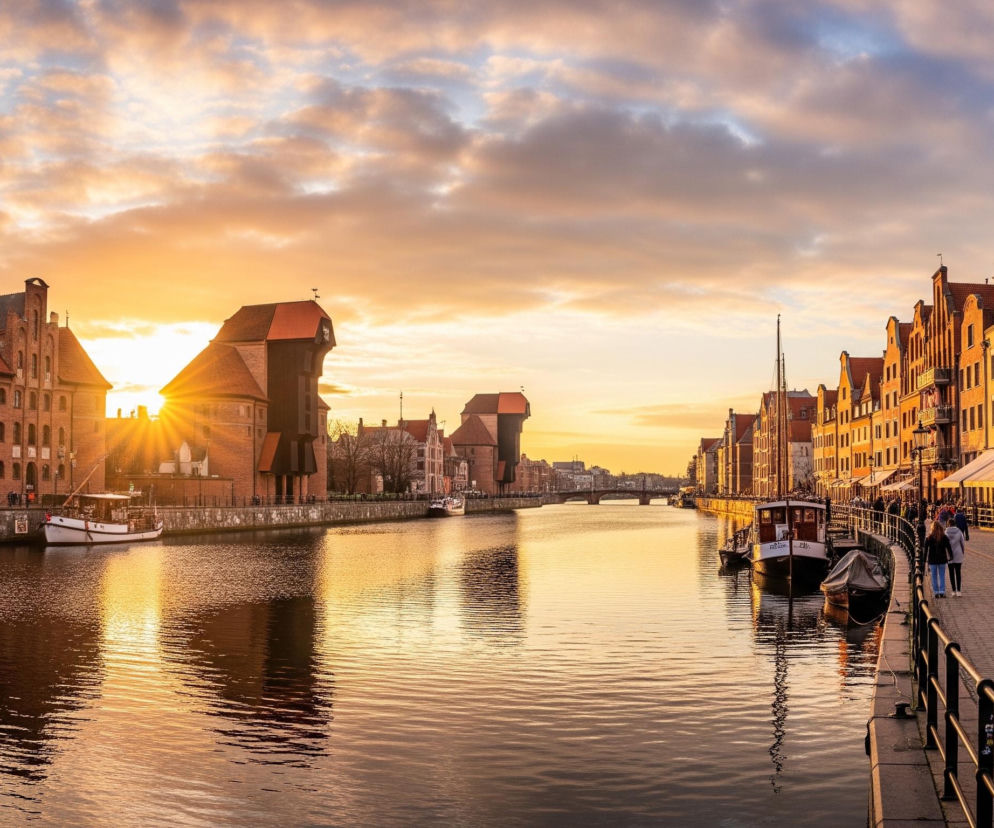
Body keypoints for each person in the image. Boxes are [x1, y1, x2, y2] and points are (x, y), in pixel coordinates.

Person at [925, 519, 952, 598]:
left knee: (934, 576)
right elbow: (949, 547)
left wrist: (924, 560)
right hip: (942, 559)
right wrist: (951, 556)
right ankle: (942, 591)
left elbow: (926, 550)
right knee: (942, 575)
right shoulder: (944, 537)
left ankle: (936, 592)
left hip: (932, 559)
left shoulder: (929, 537)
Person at [945, 516, 966, 596]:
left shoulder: (946, 532)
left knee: (951, 573)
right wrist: (962, 552)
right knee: (958, 572)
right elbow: (962, 543)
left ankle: (953, 590)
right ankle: (959, 591)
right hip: (958, 553)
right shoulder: (959, 532)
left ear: (948, 524)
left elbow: (945, 544)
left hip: (949, 554)